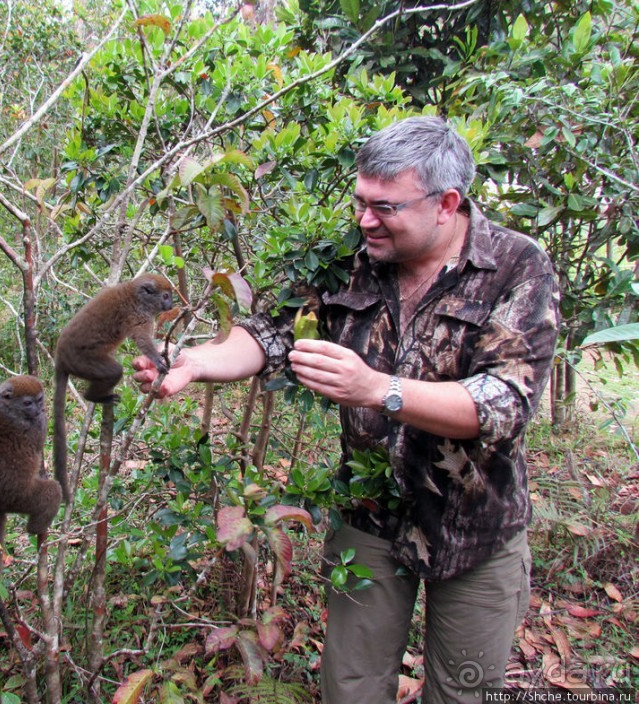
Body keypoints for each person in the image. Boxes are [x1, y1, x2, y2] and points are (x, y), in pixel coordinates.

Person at [133, 116, 559, 703]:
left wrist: (379, 388)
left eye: (384, 207)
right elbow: (268, 333)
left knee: (465, 692)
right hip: (369, 516)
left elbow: (505, 404)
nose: (364, 220)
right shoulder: (347, 256)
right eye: (359, 201)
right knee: (351, 689)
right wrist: (197, 363)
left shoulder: (516, 266)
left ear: (447, 204)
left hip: (476, 526)